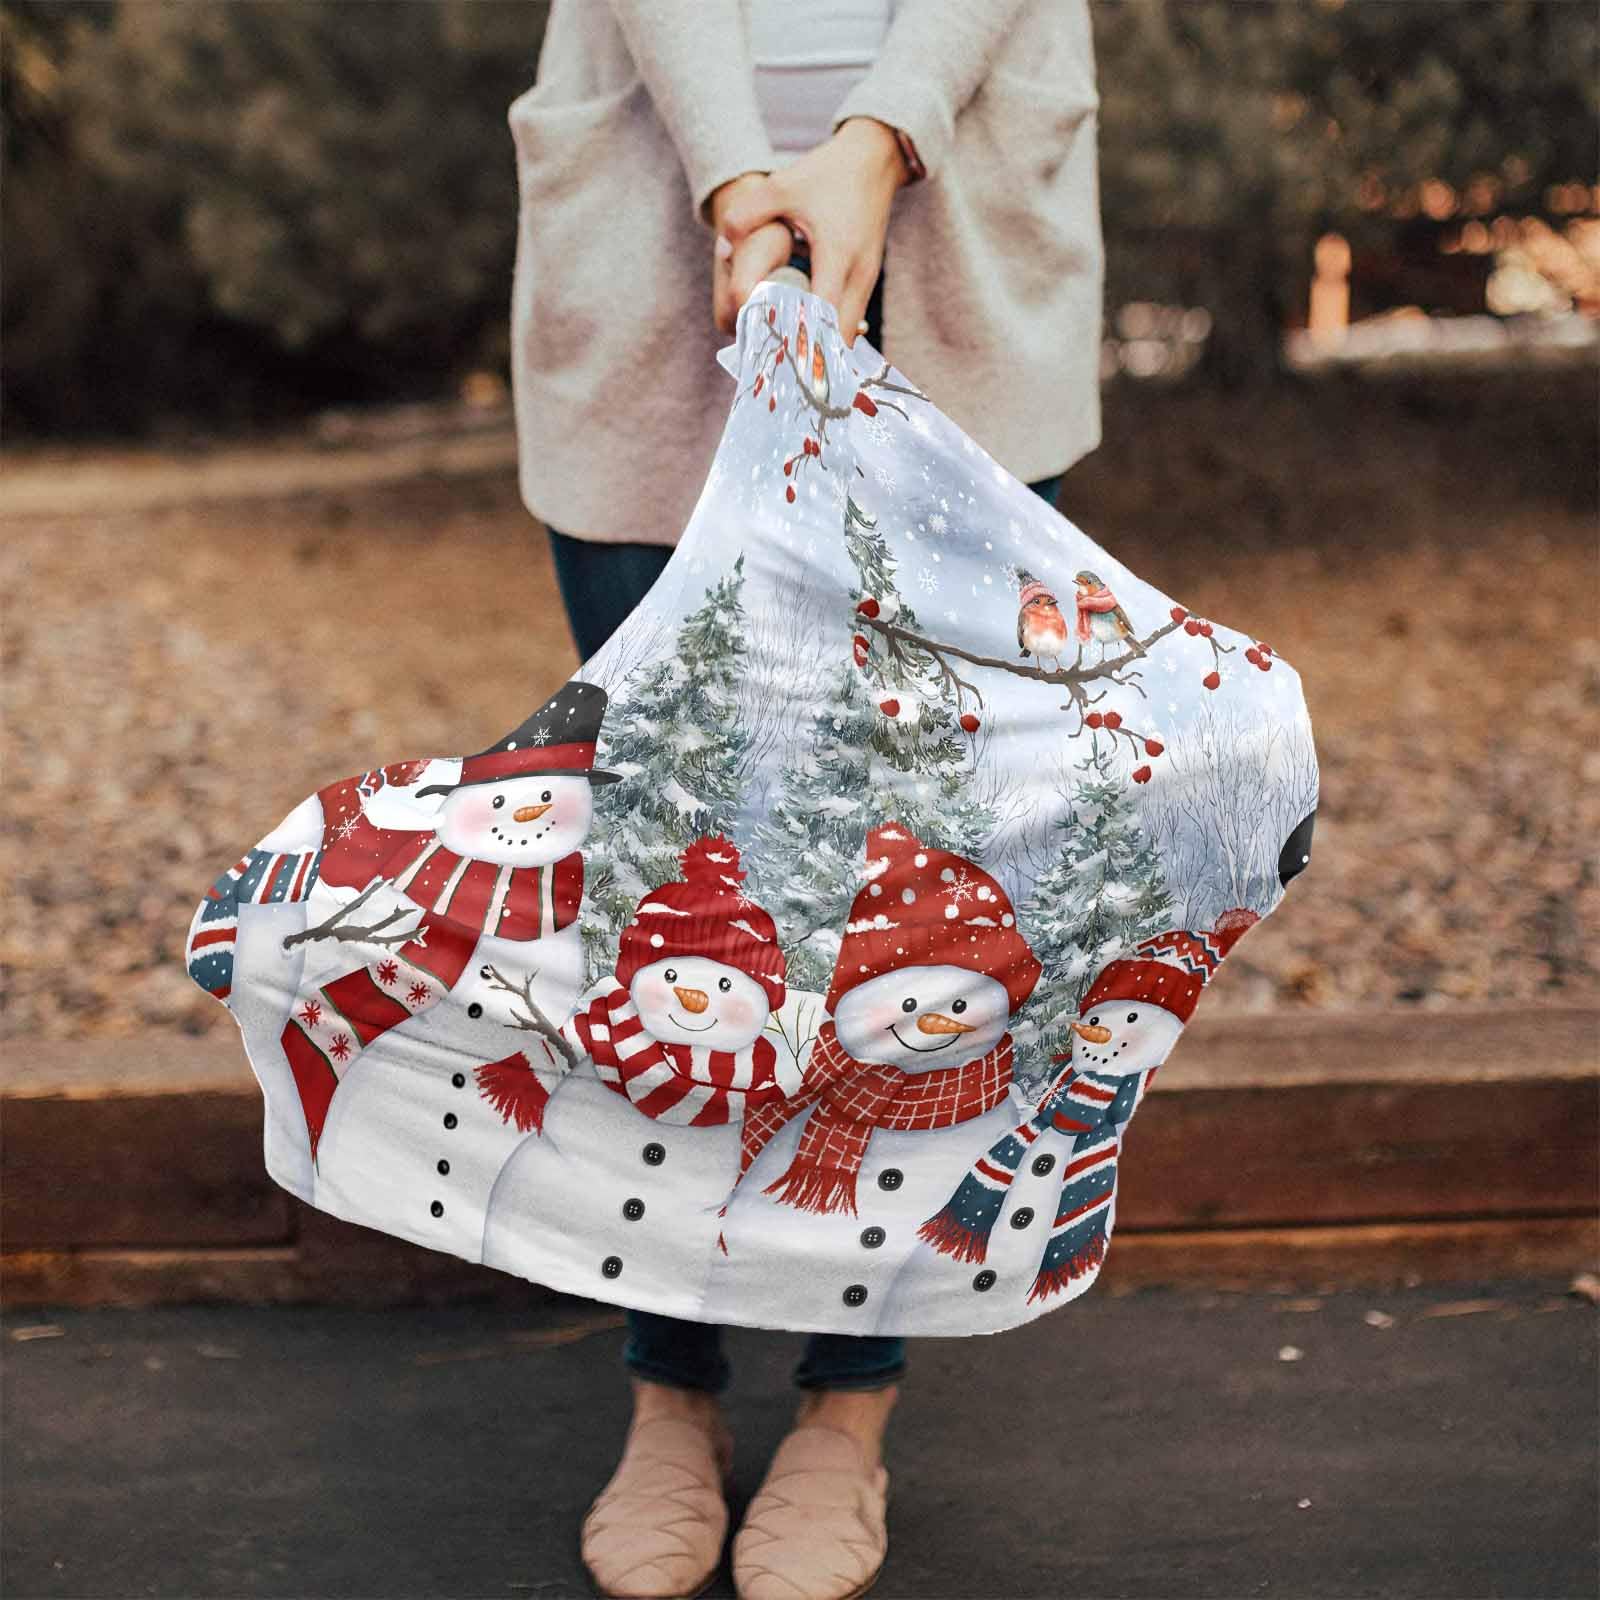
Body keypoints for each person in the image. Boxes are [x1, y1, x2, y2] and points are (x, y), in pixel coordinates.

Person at [506, 4, 1104, 1595]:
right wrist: (734, 179)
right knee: (669, 866)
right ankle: (670, 1387)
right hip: (657, 215)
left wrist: (876, 137)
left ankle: (849, 1405)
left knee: (920, 891)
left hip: (959, 215)